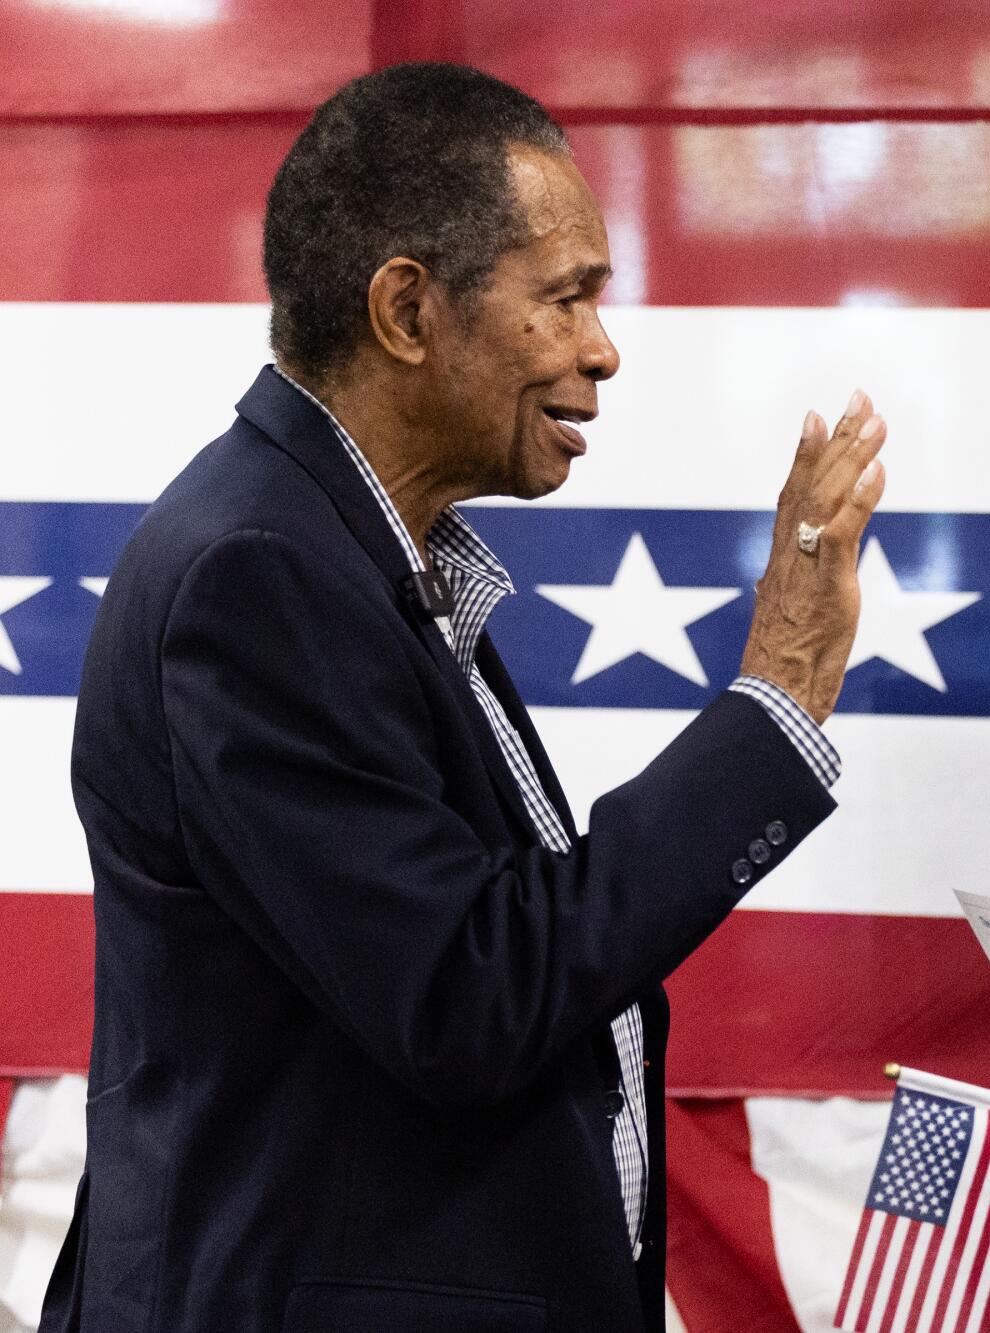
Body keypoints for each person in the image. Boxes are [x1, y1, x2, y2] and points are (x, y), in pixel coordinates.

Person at [41, 64, 887, 1333]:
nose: (602, 349)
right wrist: (776, 696)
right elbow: (469, 994)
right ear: (405, 310)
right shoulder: (257, 573)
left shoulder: (347, 551)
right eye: (566, 298)